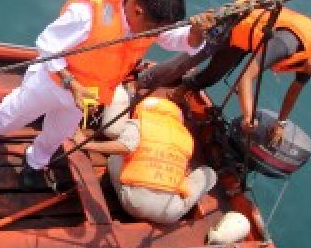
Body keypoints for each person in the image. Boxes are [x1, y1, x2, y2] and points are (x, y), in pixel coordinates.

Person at [0, 0, 216, 189]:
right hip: (52, 81)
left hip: (90, 93)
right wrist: (71, 83)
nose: (156, 35)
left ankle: (35, 162)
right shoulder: (88, 12)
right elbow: (46, 45)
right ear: (138, 11)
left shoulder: (151, 23)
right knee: (16, 113)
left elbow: (183, 41)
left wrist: (196, 32)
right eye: (154, 30)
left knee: (59, 132)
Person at [140, 2, 311, 144]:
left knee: (213, 76)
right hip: (232, 26)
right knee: (183, 63)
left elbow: (294, 91)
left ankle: (182, 90)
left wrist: (280, 124)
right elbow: (246, 77)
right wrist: (248, 115)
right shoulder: (287, 44)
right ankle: (141, 82)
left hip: (245, 41)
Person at [71, 95, 216, 224]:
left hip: (134, 204)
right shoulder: (186, 137)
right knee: (209, 174)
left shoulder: (138, 124)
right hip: (169, 214)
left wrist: (86, 144)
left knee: (115, 158)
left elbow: (125, 147)